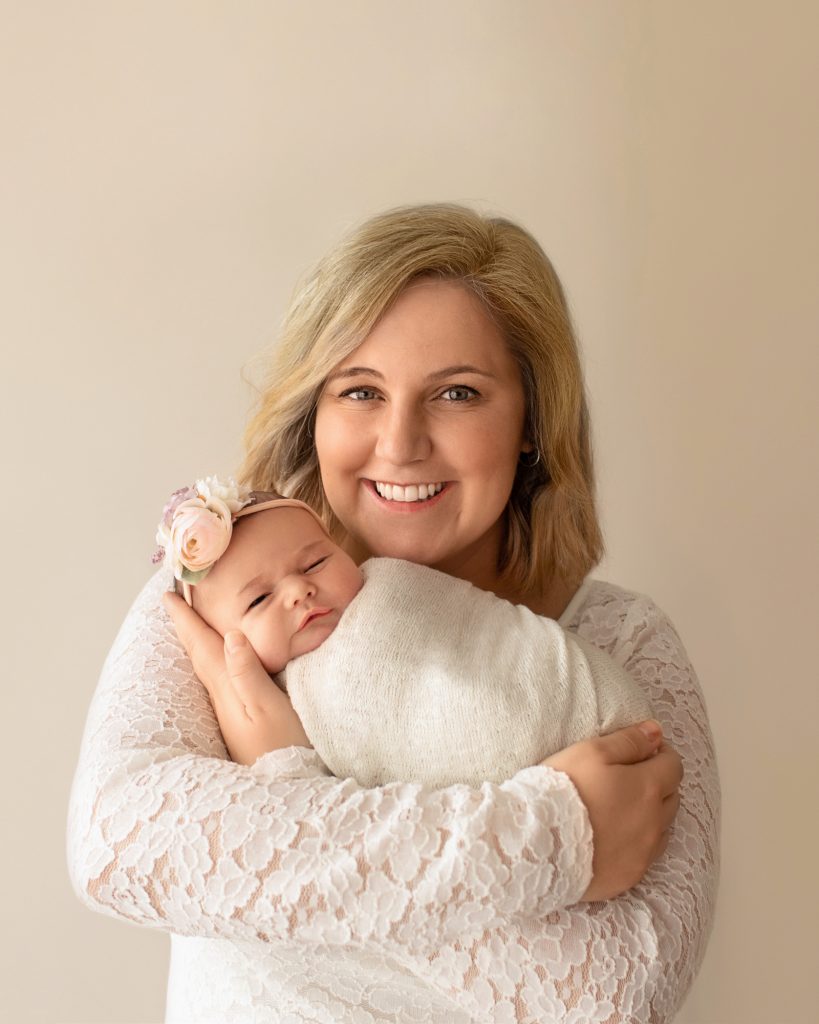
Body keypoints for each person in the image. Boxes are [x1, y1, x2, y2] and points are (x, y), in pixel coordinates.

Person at [67, 203, 720, 1023]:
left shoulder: (619, 643)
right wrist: (553, 834)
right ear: (317, 411)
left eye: (456, 392)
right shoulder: (222, 593)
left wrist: (282, 789)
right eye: (360, 391)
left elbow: (612, 993)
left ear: (530, 421)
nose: (400, 441)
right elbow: (119, 848)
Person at [152, 476, 653, 786]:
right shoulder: (272, 703)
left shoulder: (391, 586)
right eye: (260, 600)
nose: (299, 592)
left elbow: (481, 641)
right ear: (222, 640)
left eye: (316, 561)